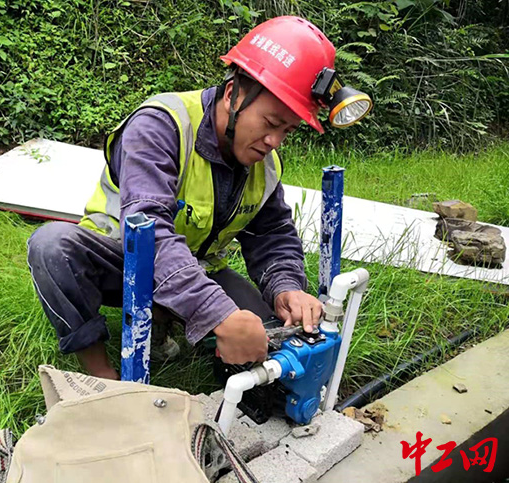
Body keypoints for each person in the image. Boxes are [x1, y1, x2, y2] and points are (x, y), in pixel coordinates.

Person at [27, 16, 364, 379]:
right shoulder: (160, 125)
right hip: (120, 261)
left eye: (287, 130)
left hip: (199, 270)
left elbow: (272, 236)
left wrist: (286, 289)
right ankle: (100, 374)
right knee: (52, 246)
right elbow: (149, 227)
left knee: (272, 338)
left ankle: (169, 320)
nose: (274, 141)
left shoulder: (265, 165)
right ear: (233, 94)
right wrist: (216, 312)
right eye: (270, 123)